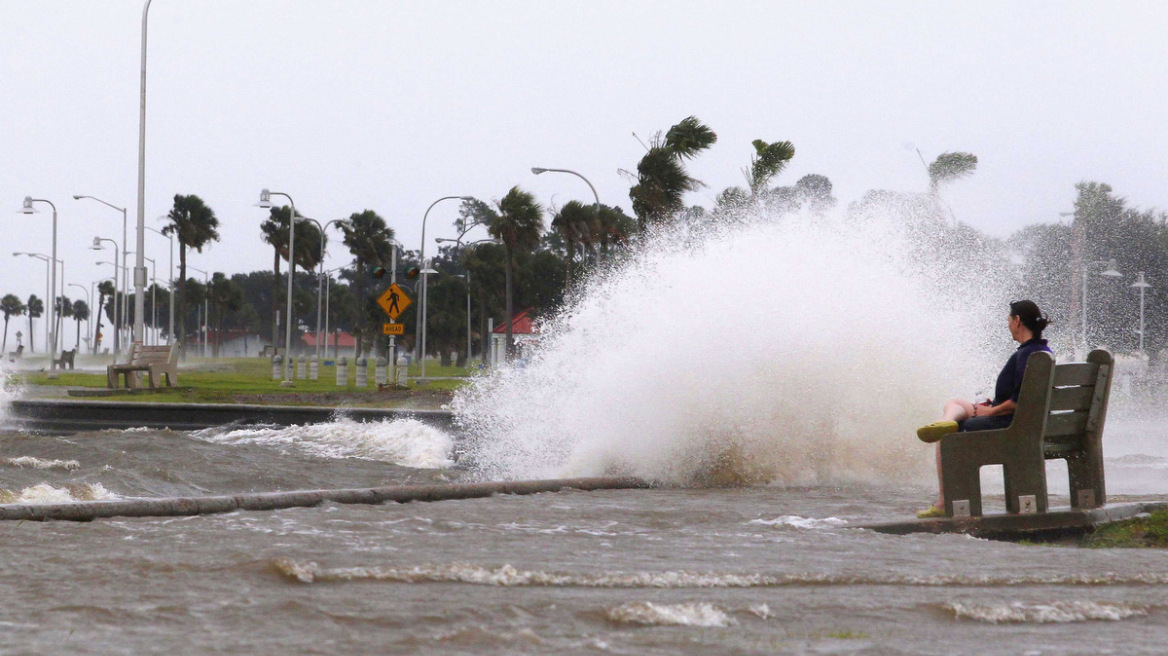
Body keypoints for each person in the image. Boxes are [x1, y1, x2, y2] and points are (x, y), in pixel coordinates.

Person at [914, 300, 1053, 518]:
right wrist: (990, 406)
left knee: (947, 439)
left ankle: (943, 504)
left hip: (1010, 424)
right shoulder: (1041, 352)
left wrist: (990, 412)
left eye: (1009, 320)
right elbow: (1022, 399)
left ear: (1017, 321)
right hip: (1018, 420)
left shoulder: (1030, 355)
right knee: (957, 403)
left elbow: (1019, 402)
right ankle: (947, 420)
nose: (1008, 325)